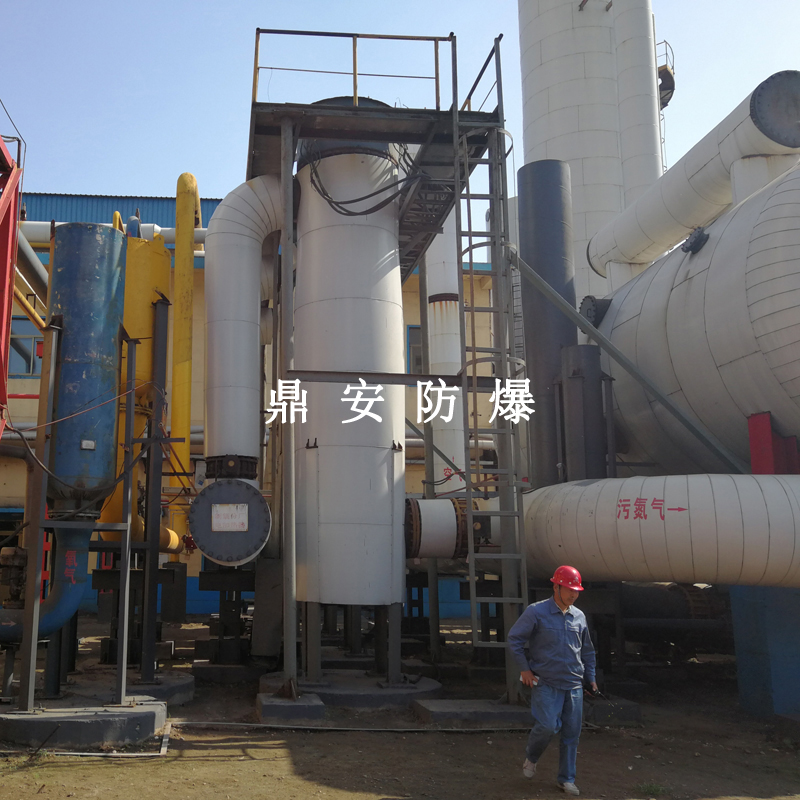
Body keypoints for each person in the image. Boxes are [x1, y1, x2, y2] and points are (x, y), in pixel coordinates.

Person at [507, 565, 597, 796]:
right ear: (556, 587)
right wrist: (525, 670)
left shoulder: (579, 616)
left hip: (573, 685)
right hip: (546, 682)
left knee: (571, 733)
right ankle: (532, 756)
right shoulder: (536, 612)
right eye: (569, 589)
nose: (573, 594)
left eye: (576, 590)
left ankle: (566, 779)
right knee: (547, 726)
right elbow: (515, 639)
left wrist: (591, 678)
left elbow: (587, 650)